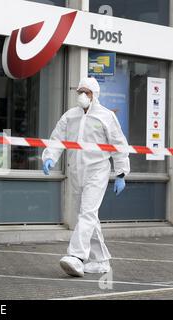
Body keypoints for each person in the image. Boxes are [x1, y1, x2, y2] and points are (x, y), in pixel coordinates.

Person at [42, 77, 129, 277]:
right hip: (76, 171)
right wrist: (49, 157)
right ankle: (101, 261)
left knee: (87, 214)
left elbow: (119, 144)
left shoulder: (106, 116)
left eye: (86, 92)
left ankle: (76, 257)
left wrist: (121, 173)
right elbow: (57, 138)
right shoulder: (70, 116)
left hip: (97, 171)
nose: (82, 95)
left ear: (94, 95)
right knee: (87, 216)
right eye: (80, 91)